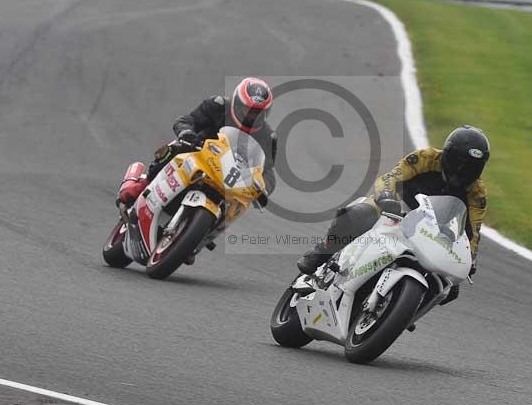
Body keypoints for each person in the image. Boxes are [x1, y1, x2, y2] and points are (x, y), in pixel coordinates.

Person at [296, 125, 490, 301]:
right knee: (359, 214)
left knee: (446, 286)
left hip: (430, 230)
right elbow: (390, 177)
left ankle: (402, 306)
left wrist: (469, 260)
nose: (464, 170)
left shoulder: (477, 192)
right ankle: (321, 254)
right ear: (448, 154)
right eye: (460, 162)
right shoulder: (425, 158)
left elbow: (473, 231)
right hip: (396, 207)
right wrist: (386, 196)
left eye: (473, 167)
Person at [117, 77, 277, 207]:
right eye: (246, 111)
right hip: (199, 153)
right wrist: (187, 132)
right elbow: (187, 120)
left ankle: (205, 233)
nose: (250, 117)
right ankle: (142, 185)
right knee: (177, 147)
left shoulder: (268, 137)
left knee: (239, 204)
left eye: (256, 114)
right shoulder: (218, 106)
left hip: (231, 177)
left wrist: (263, 189)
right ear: (236, 103)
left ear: (266, 113)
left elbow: (268, 172)